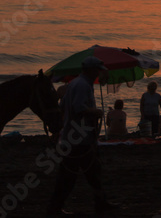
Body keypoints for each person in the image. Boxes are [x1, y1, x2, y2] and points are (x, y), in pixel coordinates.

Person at [47, 57, 116, 216]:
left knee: (90, 172)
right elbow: (79, 109)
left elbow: (63, 107)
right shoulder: (83, 85)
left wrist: (59, 131)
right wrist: (96, 112)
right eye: (98, 69)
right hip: (78, 139)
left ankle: (100, 203)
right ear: (91, 70)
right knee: (72, 175)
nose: (99, 72)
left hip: (75, 138)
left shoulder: (75, 84)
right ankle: (54, 208)